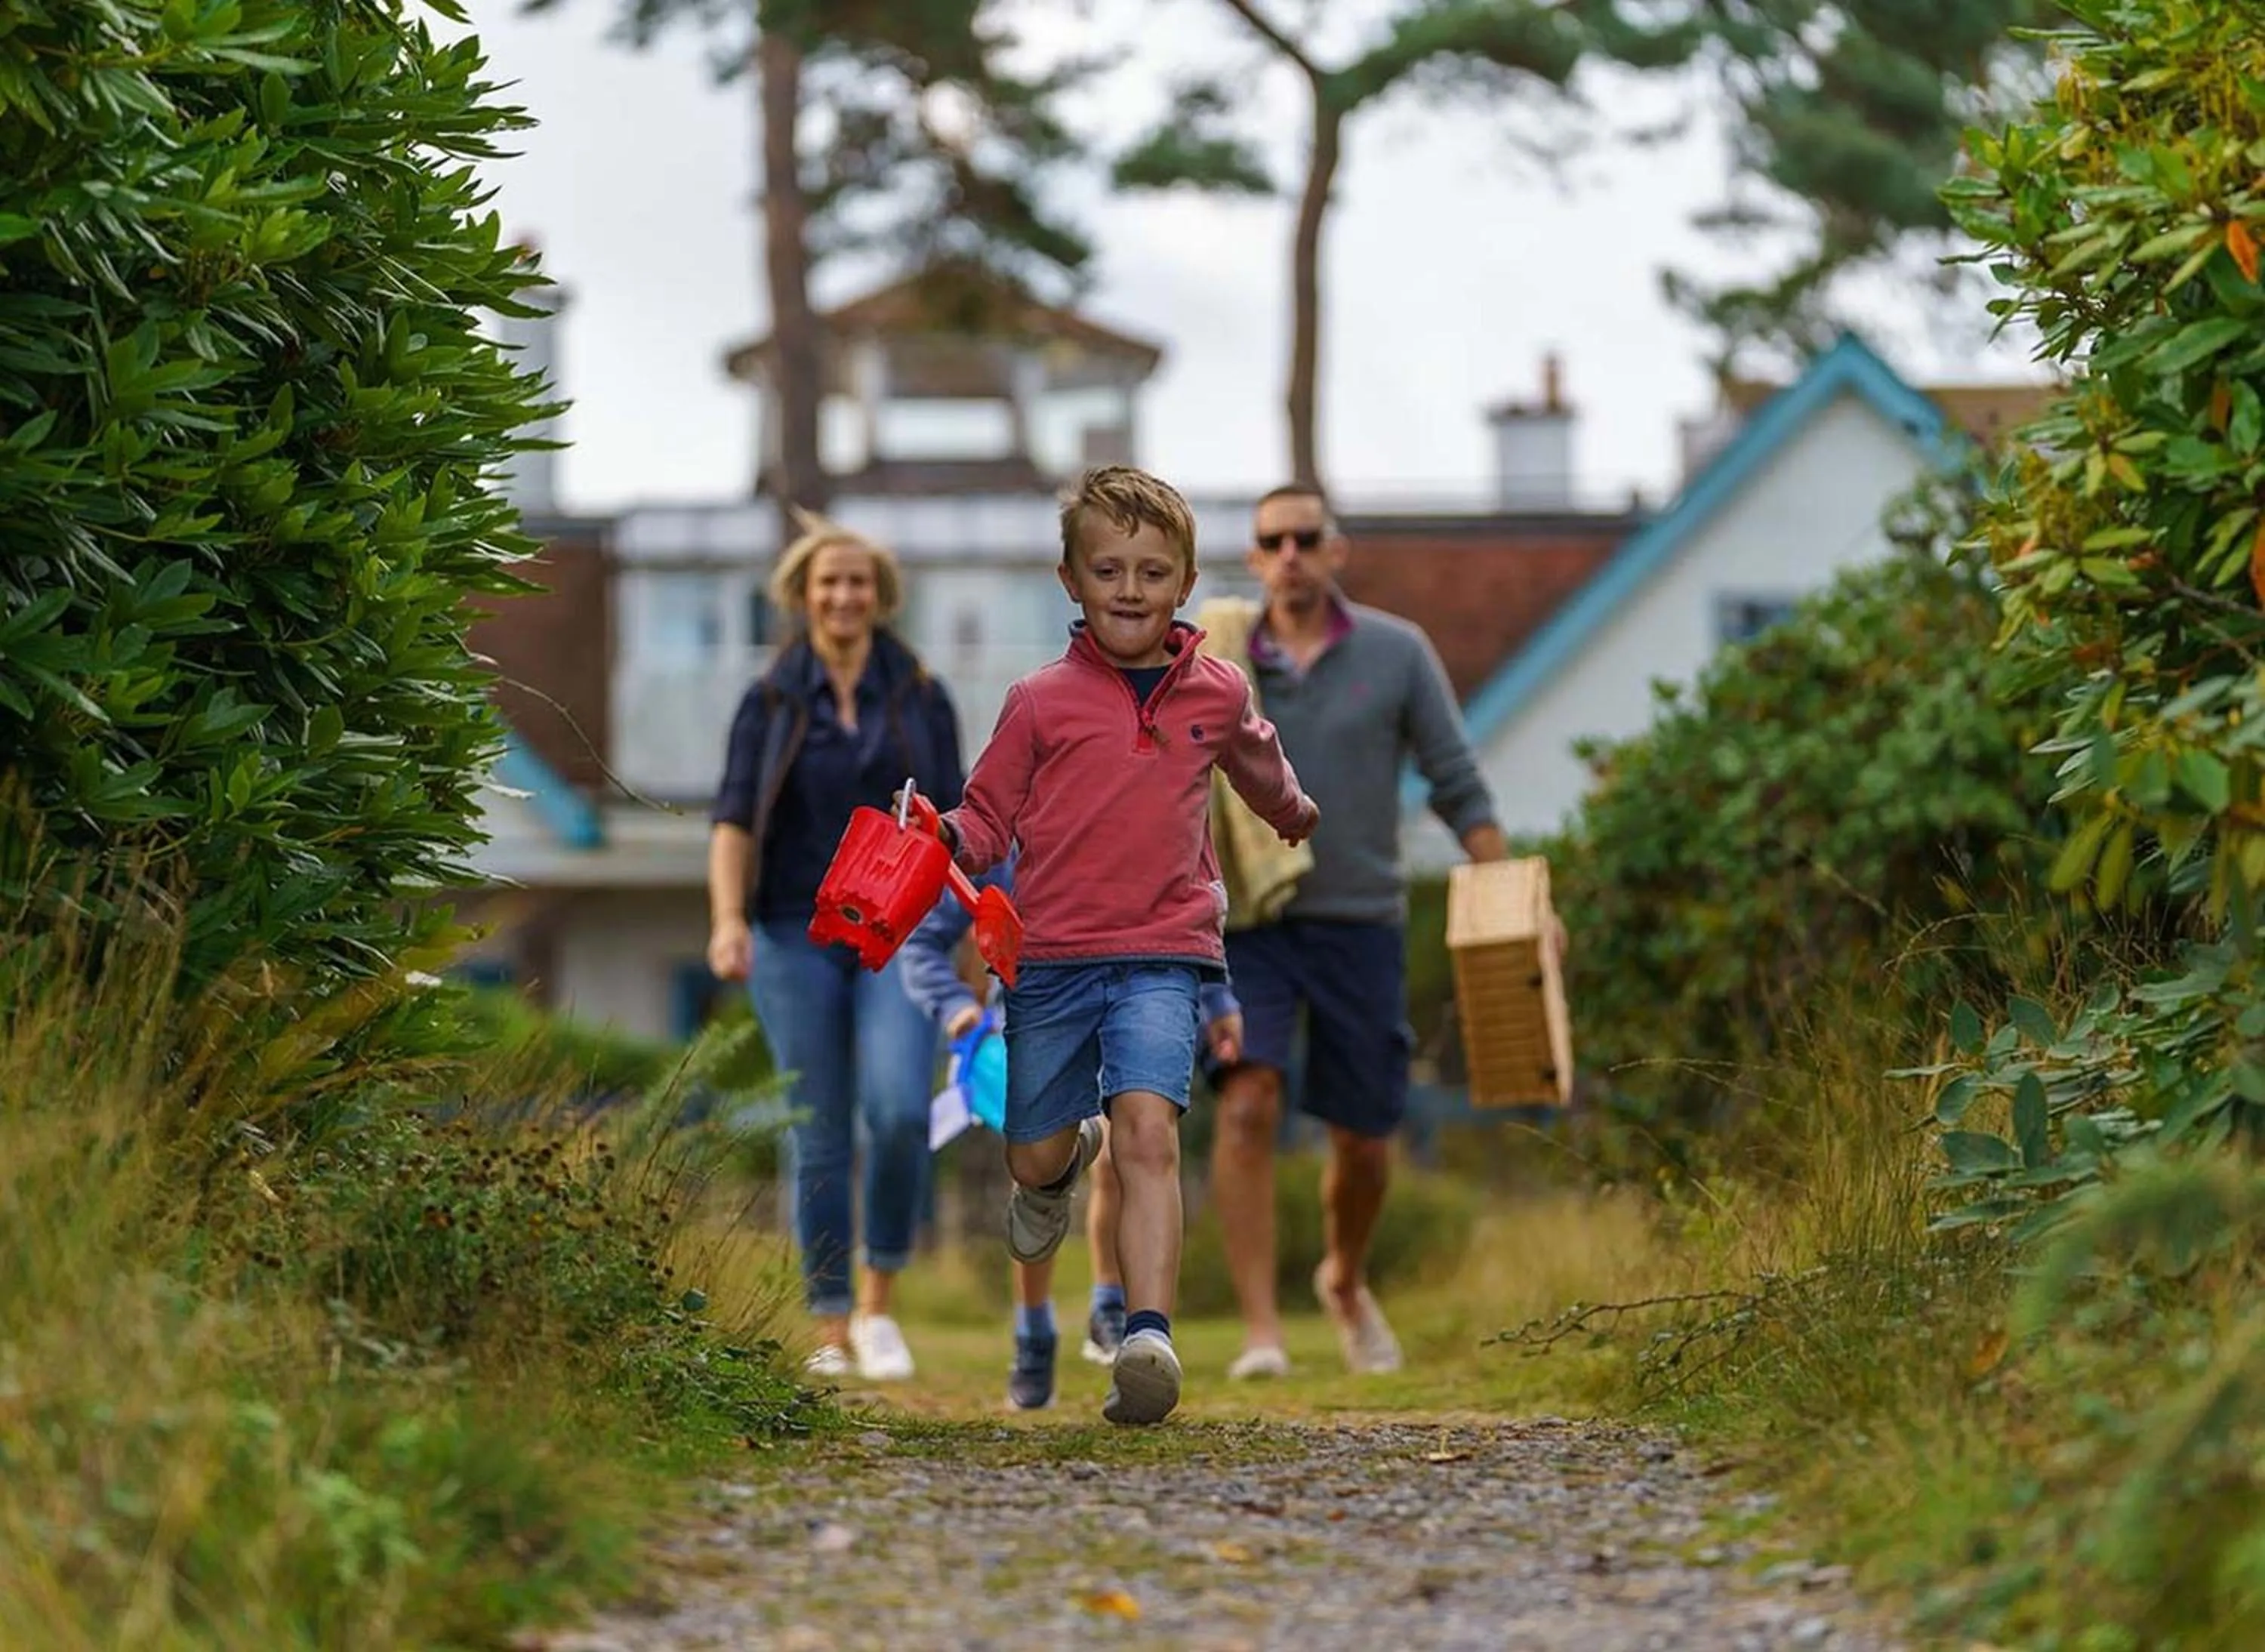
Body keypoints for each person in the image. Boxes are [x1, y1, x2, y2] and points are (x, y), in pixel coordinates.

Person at [928, 464, 1317, 1425]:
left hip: (1165, 951)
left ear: (1185, 582)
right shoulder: (1037, 703)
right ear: (1071, 579)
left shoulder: (1215, 694)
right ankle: (1064, 1159)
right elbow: (986, 820)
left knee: (1152, 1130)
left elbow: (1258, 761)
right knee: (1032, 1160)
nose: (1131, 590)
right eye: (1109, 570)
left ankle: (1148, 1338)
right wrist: (941, 839)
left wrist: (1293, 810)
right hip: (1054, 957)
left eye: (1152, 571)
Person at [1207, 482, 1507, 1382]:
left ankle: (1343, 1275)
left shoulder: (1396, 651)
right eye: (1274, 540)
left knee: (1366, 1139)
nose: (1291, 553)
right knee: (1247, 1100)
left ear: (1336, 551)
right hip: (1249, 922)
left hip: (1361, 918)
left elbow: (1455, 776)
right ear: (1256, 558)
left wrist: (1513, 893)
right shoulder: (1218, 660)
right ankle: (1264, 1330)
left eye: (1308, 537)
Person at [707, 514, 963, 1382]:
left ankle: (880, 1304)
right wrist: (726, 918)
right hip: (789, 929)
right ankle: (828, 1326)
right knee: (816, 1129)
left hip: (900, 934)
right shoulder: (771, 697)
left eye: (859, 582)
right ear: (803, 595)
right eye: (829, 583)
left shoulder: (922, 694)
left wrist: (962, 929)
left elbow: (958, 823)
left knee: (895, 1110)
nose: (845, 596)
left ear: (881, 596)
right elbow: (734, 818)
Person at [897, 855, 1245, 1409]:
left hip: (1128, 1011)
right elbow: (921, 943)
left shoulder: (1133, 818)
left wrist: (1217, 998)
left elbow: (1182, 920)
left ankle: (1112, 1304)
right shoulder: (1008, 844)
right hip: (1032, 1025)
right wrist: (957, 1006)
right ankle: (1033, 1329)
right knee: (1041, 1172)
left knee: (1119, 1151)